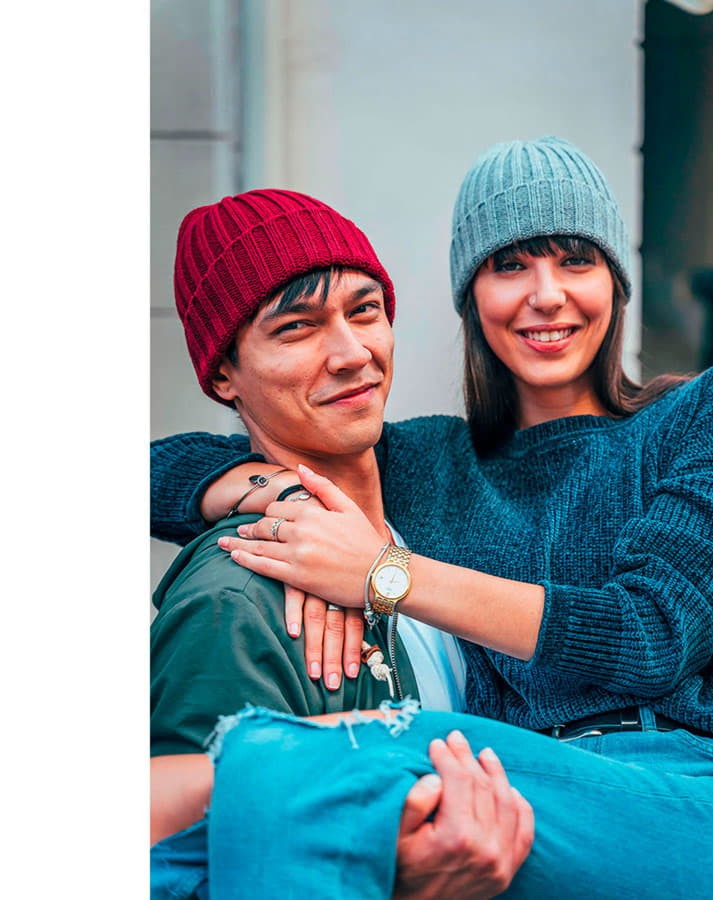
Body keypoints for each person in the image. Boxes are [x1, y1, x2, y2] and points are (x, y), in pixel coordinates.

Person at [152, 136, 713, 897]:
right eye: (510, 265)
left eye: (577, 260)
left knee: (300, 767)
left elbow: (650, 634)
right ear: (472, 294)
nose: (547, 295)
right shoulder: (423, 459)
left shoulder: (711, 413)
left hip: (699, 793)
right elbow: (159, 468)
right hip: (508, 808)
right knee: (264, 821)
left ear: (616, 282)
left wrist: (381, 575)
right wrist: (290, 494)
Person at [150, 189, 531, 898]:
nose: (353, 354)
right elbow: (183, 868)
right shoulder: (237, 595)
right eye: (297, 328)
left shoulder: (444, 505)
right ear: (224, 373)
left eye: (365, 311)